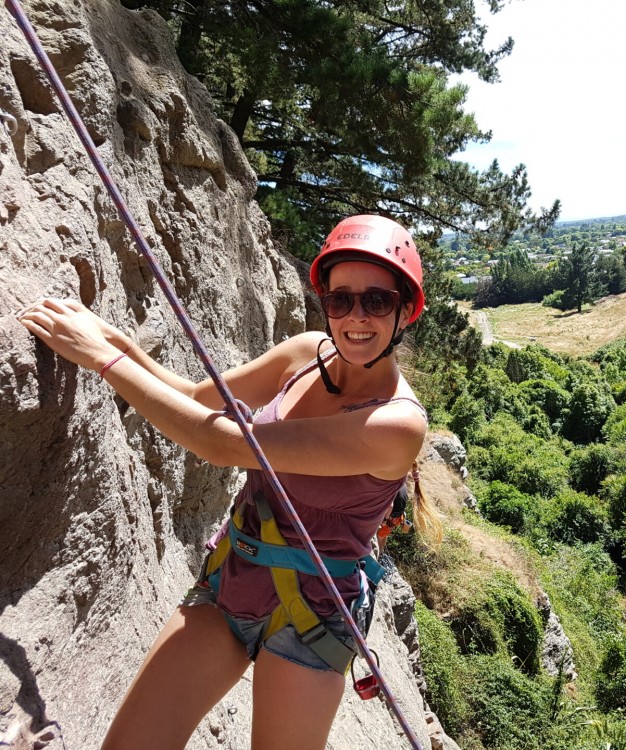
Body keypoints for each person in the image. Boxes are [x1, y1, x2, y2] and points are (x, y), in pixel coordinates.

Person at [16, 214, 441, 750]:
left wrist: (101, 360)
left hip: (312, 619)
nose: (356, 316)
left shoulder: (398, 425)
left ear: (406, 309)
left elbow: (227, 445)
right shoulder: (303, 355)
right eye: (341, 299)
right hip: (232, 581)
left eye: (377, 301)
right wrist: (110, 337)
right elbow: (197, 400)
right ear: (325, 303)